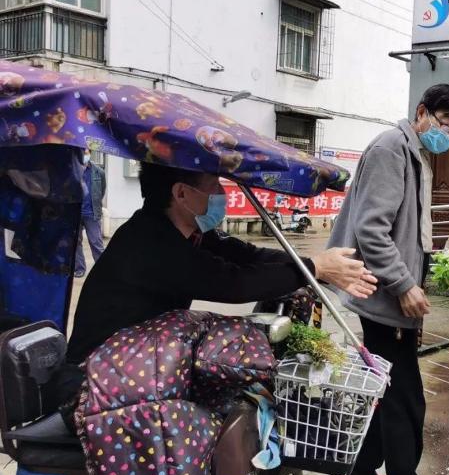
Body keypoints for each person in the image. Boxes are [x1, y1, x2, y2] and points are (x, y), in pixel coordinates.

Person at [58, 162, 377, 426]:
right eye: (214, 186)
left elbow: (250, 256)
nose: (222, 195)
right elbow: (233, 283)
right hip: (97, 378)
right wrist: (316, 267)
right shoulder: (149, 242)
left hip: (141, 365)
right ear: (181, 193)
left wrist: (311, 267)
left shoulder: (189, 232)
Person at [328, 84, 449, 475]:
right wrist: (405, 284)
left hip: (391, 298)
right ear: (423, 112)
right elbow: (372, 230)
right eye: (446, 125)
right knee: (405, 401)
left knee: (385, 390)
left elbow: (404, 228)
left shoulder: (413, 152)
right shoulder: (393, 148)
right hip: (387, 300)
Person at [74, 148, 106, 277]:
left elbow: (102, 190)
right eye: (82, 152)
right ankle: (79, 268)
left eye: (86, 152)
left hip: (91, 213)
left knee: (96, 242)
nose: (84, 155)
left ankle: (103, 269)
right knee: (76, 242)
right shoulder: (74, 170)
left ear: (90, 154)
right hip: (75, 212)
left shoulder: (99, 172)